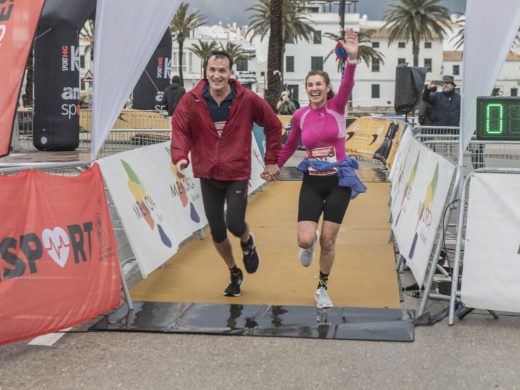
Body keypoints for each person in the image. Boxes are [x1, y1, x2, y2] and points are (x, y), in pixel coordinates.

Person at [170, 50, 282, 297]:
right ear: (206, 72)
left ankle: (246, 241)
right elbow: (179, 129)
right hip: (207, 173)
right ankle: (233, 272)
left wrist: (271, 160)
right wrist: (179, 158)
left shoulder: (247, 99)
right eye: (213, 70)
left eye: (222, 71)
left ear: (231, 73)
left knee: (234, 223)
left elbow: (274, 125)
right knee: (218, 231)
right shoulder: (192, 100)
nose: (217, 75)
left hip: (236, 172)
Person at [273, 29, 367, 309]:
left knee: (328, 239)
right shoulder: (300, 115)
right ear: (307, 89)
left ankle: (322, 288)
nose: (314, 88)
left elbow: (348, 83)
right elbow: (289, 147)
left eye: (319, 84)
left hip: (339, 181)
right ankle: (308, 247)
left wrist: (352, 59)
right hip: (312, 183)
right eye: (310, 85)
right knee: (305, 240)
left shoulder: (337, 108)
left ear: (327, 88)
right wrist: (274, 166)